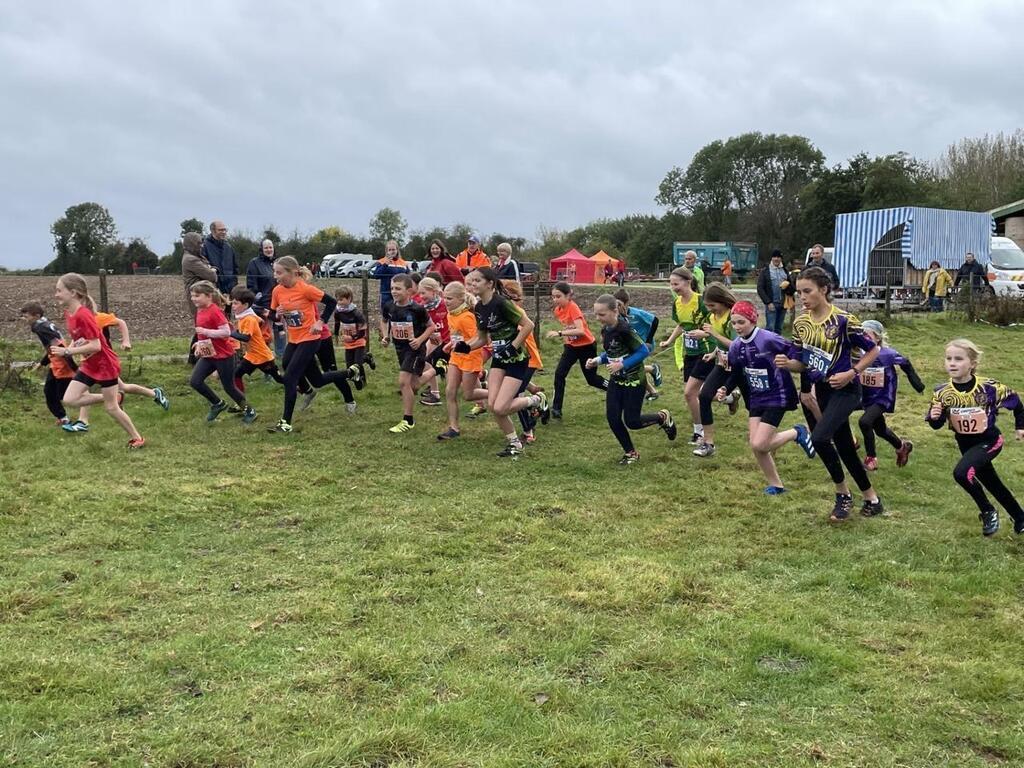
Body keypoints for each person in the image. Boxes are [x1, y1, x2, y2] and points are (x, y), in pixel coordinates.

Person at [776, 266, 882, 521]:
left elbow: (873, 351)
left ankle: (842, 494)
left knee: (821, 438)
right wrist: (787, 364)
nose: (802, 297)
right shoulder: (800, 323)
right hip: (821, 389)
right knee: (845, 447)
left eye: (807, 291)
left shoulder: (844, 320)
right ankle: (872, 498)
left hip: (846, 390)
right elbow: (803, 362)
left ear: (824, 290)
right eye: (799, 292)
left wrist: (852, 372)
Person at [716, 301, 816, 494]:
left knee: (760, 443)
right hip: (756, 396)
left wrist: (790, 365)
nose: (737, 327)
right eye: (733, 323)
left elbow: (796, 354)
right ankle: (776, 485)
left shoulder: (769, 339)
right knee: (757, 446)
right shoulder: (736, 346)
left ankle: (797, 432)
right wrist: (725, 388)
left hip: (777, 394)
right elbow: (736, 373)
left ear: (753, 320)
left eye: (741, 322)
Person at [927, 339, 1024, 536]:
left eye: (958, 359)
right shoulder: (942, 392)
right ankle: (1020, 518)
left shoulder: (989, 388)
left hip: (989, 441)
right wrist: (934, 416)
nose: (952, 363)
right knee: (992, 483)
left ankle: (988, 511)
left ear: (972, 364)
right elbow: (936, 424)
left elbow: (1017, 403)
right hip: (966, 445)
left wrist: (1020, 427)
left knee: (962, 473)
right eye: (948, 359)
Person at [269, 256, 362, 433]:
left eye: (279, 272)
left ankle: (285, 423)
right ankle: (351, 372)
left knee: (289, 377)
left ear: (293, 272)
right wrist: (277, 314)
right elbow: (273, 315)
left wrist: (320, 322)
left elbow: (331, 302)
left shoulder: (305, 289)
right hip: (294, 339)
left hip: (310, 339)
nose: (275, 276)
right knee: (317, 379)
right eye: (275, 272)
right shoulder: (277, 291)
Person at [50, 273, 145, 448]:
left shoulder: (84, 315)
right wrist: (68, 350)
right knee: (70, 399)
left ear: (73, 293)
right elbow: (80, 338)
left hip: (105, 365)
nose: (56, 294)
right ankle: (113, 397)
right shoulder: (69, 313)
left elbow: (96, 346)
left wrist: (67, 351)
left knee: (112, 409)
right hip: (90, 364)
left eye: (59, 290)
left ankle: (137, 438)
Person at [461, 267, 546, 456]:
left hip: (517, 360)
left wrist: (513, 346)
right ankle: (514, 443)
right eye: (471, 281)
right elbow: (482, 338)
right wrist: (466, 347)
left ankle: (536, 400)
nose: (473, 284)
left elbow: (528, 325)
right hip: (499, 360)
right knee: (493, 406)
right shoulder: (479, 308)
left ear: (490, 284)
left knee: (501, 407)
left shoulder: (502, 303)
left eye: (477, 281)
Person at [586, 294, 676, 464]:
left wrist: (623, 365)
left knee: (632, 422)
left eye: (602, 314)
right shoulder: (606, 330)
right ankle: (631, 453)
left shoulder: (625, 330)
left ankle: (662, 417)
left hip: (634, 381)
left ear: (614, 311)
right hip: (616, 381)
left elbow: (643, 351)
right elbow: (613, 352)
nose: (598, 318)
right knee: (613, 418)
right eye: (596, 314)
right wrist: (597, 360)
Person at [72, 310, 170, 426]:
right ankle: (154, 393)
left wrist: (126, 341)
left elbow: (120, 322)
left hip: (103, 362)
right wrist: (67, 351)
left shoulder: (98, 317)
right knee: (121, 387)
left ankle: (83, 420)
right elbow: (76, 340)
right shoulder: (75, 321)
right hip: (89, 363)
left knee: (85, 389)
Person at [857, 320, 924, 471]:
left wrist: (917, 384)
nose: (863, 339)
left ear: (877, 338)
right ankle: (902, 447)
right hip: (866, 396)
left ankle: (871, 459)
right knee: (880, 429)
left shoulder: (887, 354)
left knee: (865, 422)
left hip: (883, 396)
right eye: (861, 336)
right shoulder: (857, 353)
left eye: (867, 335)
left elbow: (906, 363)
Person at [189, 281, 257, 424]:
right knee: (195, 381)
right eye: (192, 295)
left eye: (197, 295)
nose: (193, 298)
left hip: (224, 356)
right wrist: (199, 344)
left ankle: (249, 410)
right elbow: (204, 334)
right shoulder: (200, 310)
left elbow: (226, 332)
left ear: (208, 296)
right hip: (209, 355)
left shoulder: (215, 311)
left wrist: (206, 332)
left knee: (229, 387)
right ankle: (217, 403)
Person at [659, 267, 713, 445]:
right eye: (671, 284)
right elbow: (682, 325)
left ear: (688, 282)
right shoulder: (677, 304)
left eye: (676, 283)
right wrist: (669, 341)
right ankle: (728, 397)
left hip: (706, 352)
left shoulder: (701, 302)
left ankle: (700, 432)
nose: (673, 287)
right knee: (695, 393)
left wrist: (703, 334)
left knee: (690, 393)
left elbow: (717, 327)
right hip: (690, 353)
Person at [379, 274, 434, 433]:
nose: (394, 291)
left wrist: (420, 339)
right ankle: (438, 369)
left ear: (409, 291)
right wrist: (385, 336)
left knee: (403, 382)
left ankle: (408, 420)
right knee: (414, 385)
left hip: (415, 349)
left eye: (398, 288)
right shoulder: (389, 306)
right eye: (392, 288)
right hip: (400, 349)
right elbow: (384, 321)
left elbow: (431, 327)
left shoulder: (417, 309)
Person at [546, 281, 608, 420]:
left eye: (558, 296)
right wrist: (567, 339)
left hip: (586, 346)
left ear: (568, 296)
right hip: (571, 347)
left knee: (591, 379)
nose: (555, 299)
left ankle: (615, 390)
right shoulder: (557, 311)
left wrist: (560, 333)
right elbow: (570, 328)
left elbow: (580, 330)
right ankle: (556, 408)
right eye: (553, 297)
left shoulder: (573, 307)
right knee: (559, 374)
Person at [437, 281, 488, 440]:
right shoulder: (450, 314)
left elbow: (478, 338)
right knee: (450, 391)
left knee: (468, 394)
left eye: (450, 298)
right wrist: (450, 345)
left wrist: (463, 346)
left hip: (470, 357)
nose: (446, 301)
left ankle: (499, 394)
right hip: (456, 357)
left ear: (461, 299)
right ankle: (454, 428)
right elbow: (458, 337)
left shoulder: (467, 316)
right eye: (445, 298)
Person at [693, 283, 738, 458]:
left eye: (713, 305)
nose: (710, 310)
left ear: (723, 301)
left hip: (739, 366)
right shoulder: (713, 318)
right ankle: (708, 443)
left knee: (753, 404)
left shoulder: (733, 317)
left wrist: (713, 334)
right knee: (704, 396)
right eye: (707, 306)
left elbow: (736, 345)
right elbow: (721, 344)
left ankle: (767, 437)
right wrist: (713, 354)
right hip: (722, 364)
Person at [504, 280, 547, 444]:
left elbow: (523, 329)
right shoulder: (504, 310)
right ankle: (535, 399)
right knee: (513, 393)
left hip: (528, 359)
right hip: (514, 360)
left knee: (515, 395)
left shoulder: (516, 311)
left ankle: (529, 428)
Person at [21, 301, 77, 427]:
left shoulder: (40, 328)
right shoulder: (45, 324)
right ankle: (63, 418)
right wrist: (42, 363)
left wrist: (72, 365)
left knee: (67, 395)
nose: (24, 319)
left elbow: (58, 345)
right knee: (49, 391)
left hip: (62, 364)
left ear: (36, 316)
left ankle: (107, 398)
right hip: (55, 362)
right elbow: (51, 347)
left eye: (26, 316)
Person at [230, 287, 286, 386]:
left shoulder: (249, 319)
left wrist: (230, 333)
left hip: (262, 356)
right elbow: (260, 322)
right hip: (251, 356)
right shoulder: (243, 317)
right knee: (236, 375)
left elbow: (245, 337)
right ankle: (240, 399)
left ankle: (301, 388)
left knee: (279, 379)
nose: (232, 306)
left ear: (246, 305)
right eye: (232, 303)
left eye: (236, 303)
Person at [614, 288, 661, 401]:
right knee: (632, 369)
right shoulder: (616, 316)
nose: (618, 307)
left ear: (627, 303)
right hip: (628, 347)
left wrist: (648, 340)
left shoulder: (637, 313)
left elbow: (655, 320)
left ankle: (652, 370)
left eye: (620, 304)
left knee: (631, 367)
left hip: (643, 346)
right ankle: (652, 388)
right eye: (615, 304)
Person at [417, 277, 449, 407]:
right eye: (419, 293)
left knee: (460, 375)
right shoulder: (421, 308)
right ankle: (434, 393)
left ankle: (482, 382)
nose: (421, 296)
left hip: (448, 340)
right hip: (434, 339)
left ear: (433, 291)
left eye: (423, 293)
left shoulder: (445, 304)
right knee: (426, 361)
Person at [333, 286, 374, 372]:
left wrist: (353, 337)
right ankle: (366, 358)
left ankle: (366, 360)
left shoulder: (356, 314)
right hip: (348, 342)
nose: (339, 302)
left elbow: (363, 330)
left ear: (349, 299)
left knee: (357, 364)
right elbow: (337, 323)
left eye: (341, 299)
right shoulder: (337, 312)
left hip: (359, 341)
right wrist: (336, 335)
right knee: (350, 366)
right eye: (337, 300)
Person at [368, 240, 410, 309]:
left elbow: (408, 277)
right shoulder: (381, 261)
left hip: (400, 293)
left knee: (400, 313)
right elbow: (376, 275)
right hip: (386, 293)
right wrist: (385, 265)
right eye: (389, 250)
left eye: (393, 249)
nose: (391, 251)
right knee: (386, 315)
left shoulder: (403, 263)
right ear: (386, 251)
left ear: (397, 250)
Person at [202, 220, 238, 295]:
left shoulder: (228, 247)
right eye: (221, 230)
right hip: (213, 290)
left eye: (225, 230)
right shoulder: (204, 246)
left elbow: (235, 268)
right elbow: (203, 268)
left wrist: (234, 285)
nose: (224, 232)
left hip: (229, 290)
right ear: (212, 231)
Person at [757, 249, 788, 335]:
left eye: (778, 257)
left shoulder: (785, 270)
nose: (776, 259)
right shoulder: (765, 271)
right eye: (774, 257)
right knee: (770, 328)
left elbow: (791, 286)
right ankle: (768, 347)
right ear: (771, 258)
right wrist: (768, 302)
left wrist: (789, 286)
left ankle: (778, 347)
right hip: (772, 304)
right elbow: (760, 288)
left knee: (779, 329)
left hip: (783, 304)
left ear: (781, 258)